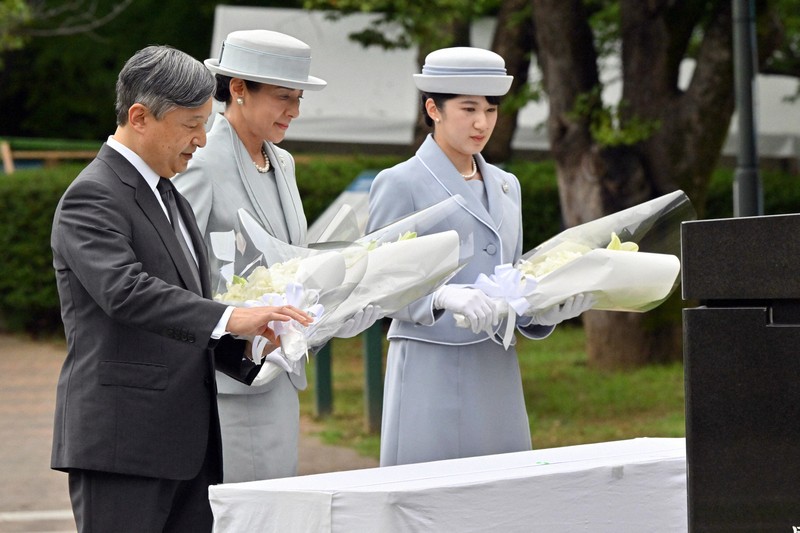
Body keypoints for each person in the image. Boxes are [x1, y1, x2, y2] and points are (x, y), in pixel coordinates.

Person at [50, 45, 312, 532]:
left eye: (206, 122)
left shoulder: (170, 193)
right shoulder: (92, 194)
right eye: (192, 124)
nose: (201, 140)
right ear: (140, 116)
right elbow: (125, 291)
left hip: (187, 446)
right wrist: (231, 317)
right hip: (122, 443)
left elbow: (183, 311)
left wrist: (249, 348)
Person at [366, 47, 594, 467]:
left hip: (496, 364)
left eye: (490, 110)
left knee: (501, 501)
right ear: (433, 108)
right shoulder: (399, 182)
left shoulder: (507, 185)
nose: (481, 122)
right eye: (468, 108)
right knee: (429, 503)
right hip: (429, 364)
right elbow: (375, 282)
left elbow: (513, 274)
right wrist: (438, 297)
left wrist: (543, 308)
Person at [173, 29, 380, 482]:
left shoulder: (281, 162)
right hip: (228, 373)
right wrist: (234, 328)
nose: (295, 110)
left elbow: (292, 259)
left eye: (299, 98)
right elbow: (177, 271)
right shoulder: (201, 162)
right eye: (284, 96)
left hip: (281, 367)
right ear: (239, 89)